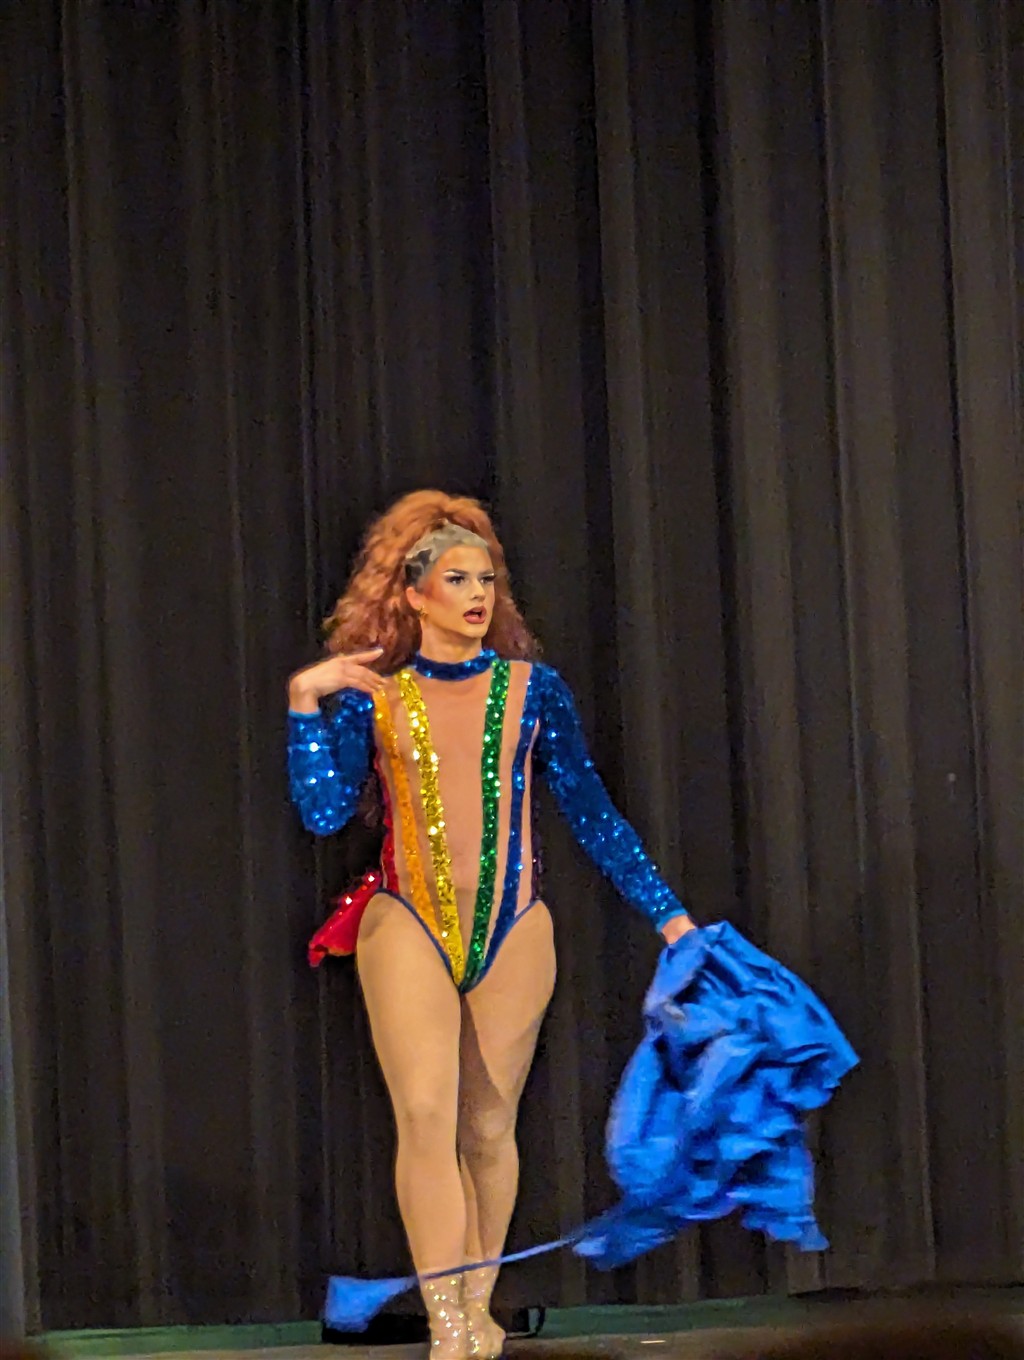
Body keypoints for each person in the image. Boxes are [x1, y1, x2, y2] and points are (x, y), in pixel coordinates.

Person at [287, 490, 696, 1359]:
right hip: (407, 920)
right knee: (426, 1113)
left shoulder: (533, 692)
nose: (478, 595)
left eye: (486, 580)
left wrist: (671, 917)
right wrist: (304, 703)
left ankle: (476, 1307)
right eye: (457, 580)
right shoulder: (375, 698)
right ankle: (445, 1324)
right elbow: (323, 813)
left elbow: (591, 812)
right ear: (413, 594)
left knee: (486, 1126)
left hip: (514, 927)